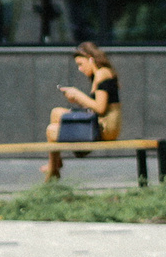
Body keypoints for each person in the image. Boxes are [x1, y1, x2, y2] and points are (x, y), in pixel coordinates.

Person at [42, 42, 121, 181]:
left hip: (106, 128)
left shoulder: (102, 74)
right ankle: (55, 163)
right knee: (56, 112)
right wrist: (77, 99)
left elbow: (100, 108)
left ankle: (53, 170)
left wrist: (77, 94)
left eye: (80, 64)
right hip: (99, 124)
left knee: (51, 130)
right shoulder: (100, 74)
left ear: (90, 58)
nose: (80, 69)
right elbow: (95, 107)